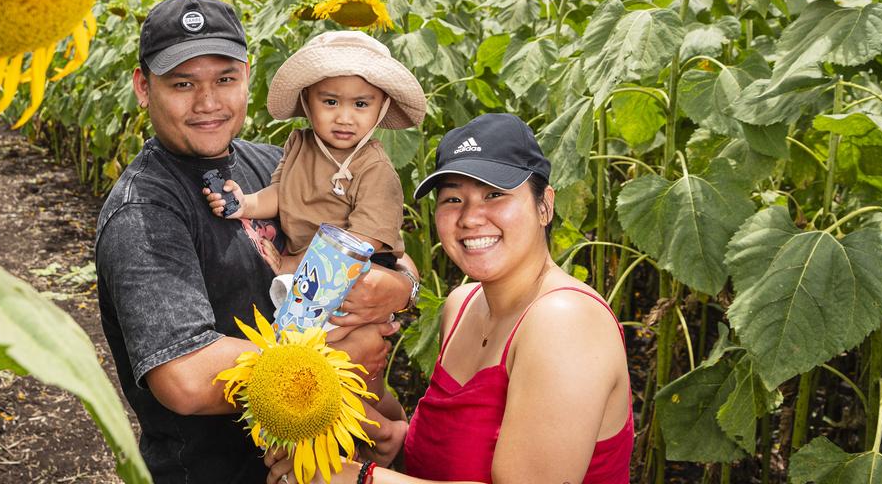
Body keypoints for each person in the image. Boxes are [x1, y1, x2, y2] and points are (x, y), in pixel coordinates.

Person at [95, 0, 416, 483]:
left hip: (322, 463)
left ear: (246, 75)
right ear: (143, 87)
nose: (208, 103)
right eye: (183, 84)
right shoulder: (145, 211)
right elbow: (184, 377)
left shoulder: (271, 163)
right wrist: (341, 360)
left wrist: (400, 289)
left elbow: (388, 251)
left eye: (225, 79)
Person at [266, 113, 633, 484]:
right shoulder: (463, 304)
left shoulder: (565, 319)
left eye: (495, 194)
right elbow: (459, 448)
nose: (471, 217)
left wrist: (359, 478)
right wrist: (387, 437)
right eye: (454, 199)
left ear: (545, 206)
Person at [204, 29, 426, 442]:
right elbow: (283, 194)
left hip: (352, 277)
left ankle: (388, 432)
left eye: (361, 104)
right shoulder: (299, 145)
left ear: (381, 108)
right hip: (308, 279)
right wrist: (247, 204)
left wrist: (292, 264)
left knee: (340, 368)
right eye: (330, 102)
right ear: (308, 102)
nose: (345, 117)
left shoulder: (375, 168)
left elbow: (367, 242)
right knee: (338, 370)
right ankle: (386, 433)